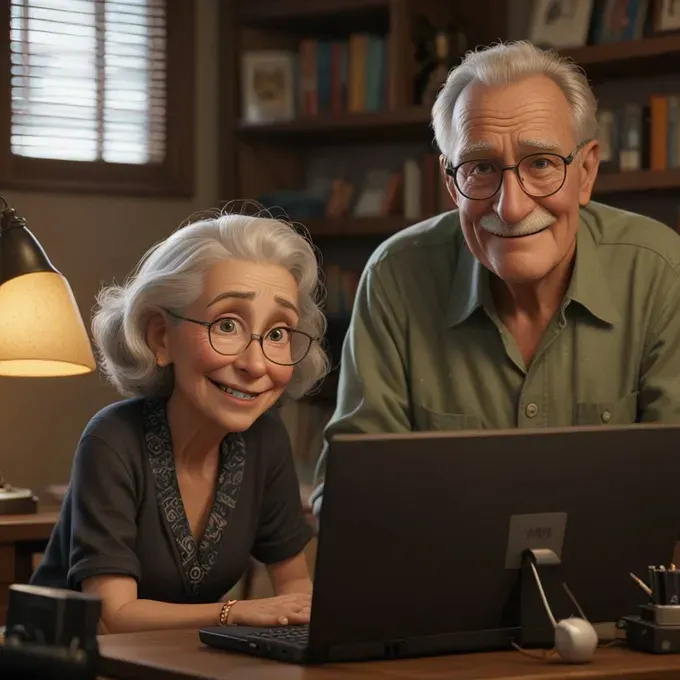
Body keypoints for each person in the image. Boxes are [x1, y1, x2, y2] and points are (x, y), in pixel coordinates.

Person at [311, 40, 680, 516]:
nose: (512, 206)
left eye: (542, 163)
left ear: (586, 172)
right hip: (442, 581)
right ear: (451, 185)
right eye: (481, 168)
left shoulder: (660, 270)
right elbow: (351, 493)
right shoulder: (396, 277)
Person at [31, 211, 329, 634]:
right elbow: (114, 615)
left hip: (189, 661)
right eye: (228, 325)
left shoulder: (265, 439)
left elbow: (295, 586)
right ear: (160, 338)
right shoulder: (111, 440)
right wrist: (234, 613)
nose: (256, 363)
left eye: (279, 333)